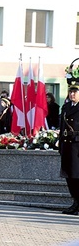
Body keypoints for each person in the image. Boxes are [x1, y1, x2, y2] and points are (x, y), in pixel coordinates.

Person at [59, 82, 79, 215]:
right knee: (69, 177)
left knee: (77, 176)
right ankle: (75, 202)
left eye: (75, 92)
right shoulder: (66, 107)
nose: (72, 94)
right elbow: (62, 127)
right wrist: (60, 145)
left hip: (77, 146)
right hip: (67, 145)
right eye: (70, 92)